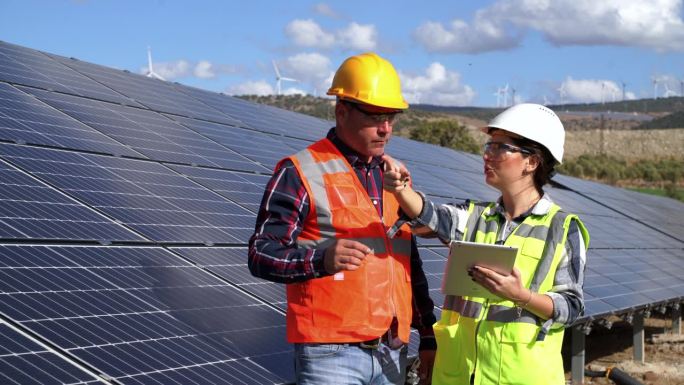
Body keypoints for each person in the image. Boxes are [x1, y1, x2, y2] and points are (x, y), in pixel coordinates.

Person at [248, 52, 437, 385]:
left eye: (391, 118)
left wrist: (428, 333)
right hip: (330, 354)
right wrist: (321, 259)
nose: (386, 129)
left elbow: (409, 263)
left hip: (391, 349)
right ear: (342, 111)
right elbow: (262, 254)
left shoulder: (393, 177)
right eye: (375, 117)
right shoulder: (300, 171)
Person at [383, 103, 590, 385]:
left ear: (532, 162)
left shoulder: (562, 229)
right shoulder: (474, 217)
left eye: (500, 147)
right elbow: (428, 214)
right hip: (458, 374)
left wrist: (522, 295)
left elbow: (571, 306)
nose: (486, 155)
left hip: (520, 378)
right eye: (488, 145)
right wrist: (400, 189)